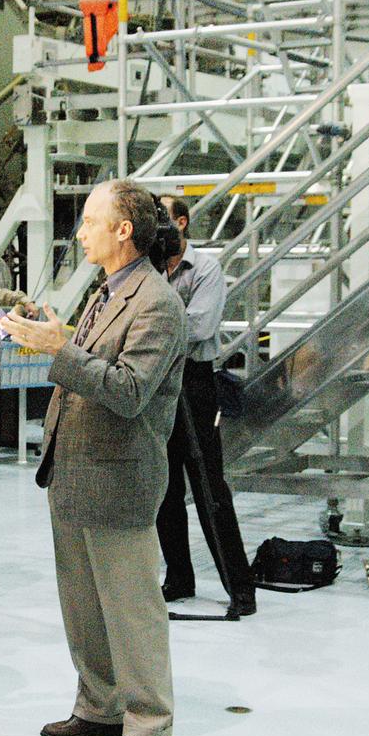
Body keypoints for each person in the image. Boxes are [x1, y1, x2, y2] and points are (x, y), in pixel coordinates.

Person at [1, 179, 185, 736]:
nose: (79, 233)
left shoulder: (157, 303)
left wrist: (61, 350)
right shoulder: (108, 294)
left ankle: (149, 721)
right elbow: (87, 367)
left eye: (88, 221)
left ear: (123, 230)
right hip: (76, 469)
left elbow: (129, 391)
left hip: (118, 476)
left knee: (130, 605)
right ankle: (99, 702)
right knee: (81, 602)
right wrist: (52, 340)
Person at [154, 196, 256, 615]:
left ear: (181, 222)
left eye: (163, 217)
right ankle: (179, 577)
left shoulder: (206, 268)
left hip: (195, 383)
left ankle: (240, 589)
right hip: (159, 383)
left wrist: (151, 323)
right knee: (166, 490)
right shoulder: (152, 267)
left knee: (209, 487)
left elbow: (200, 326)